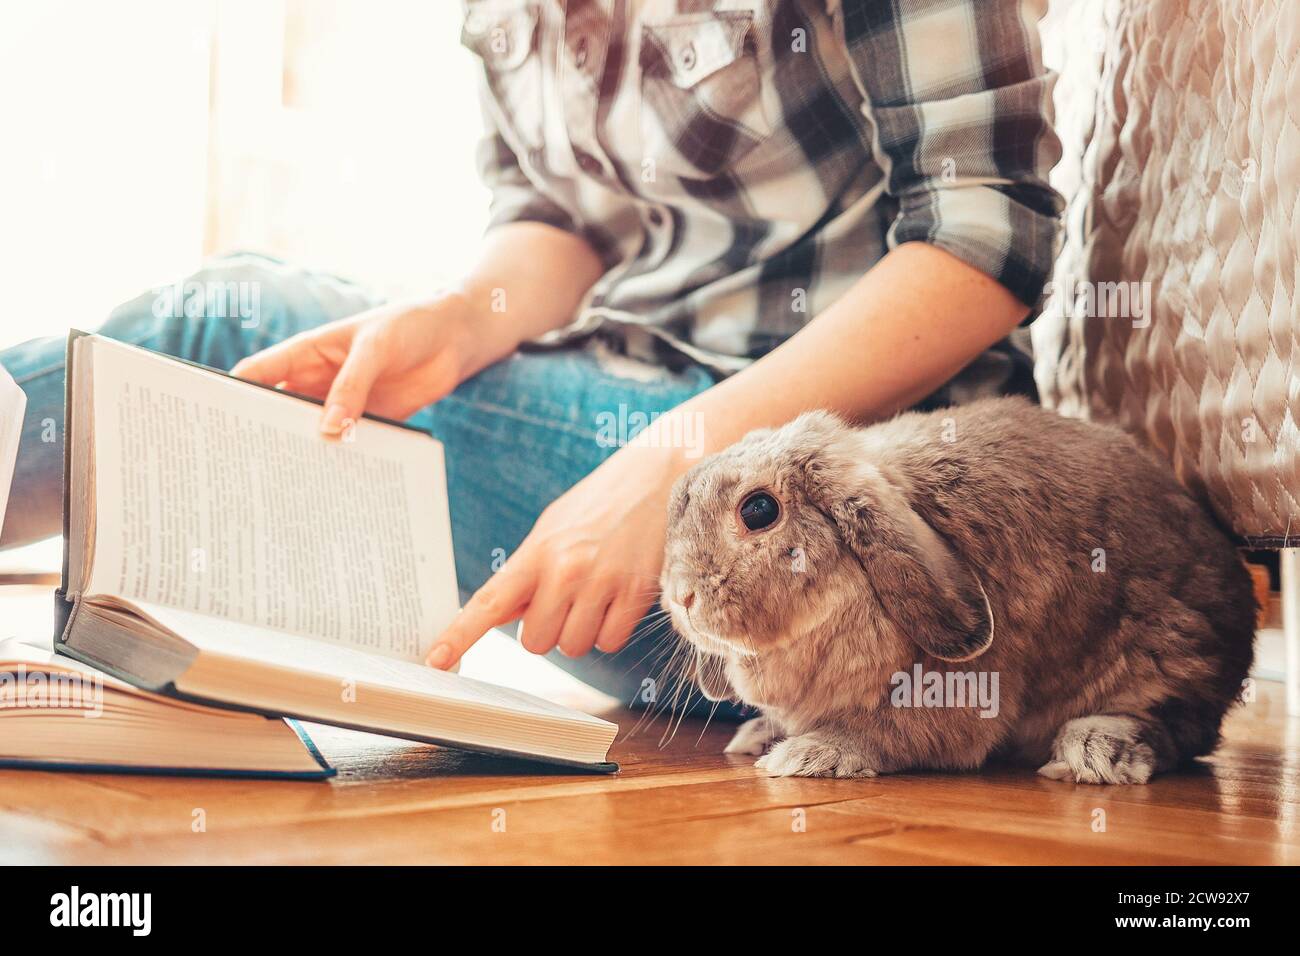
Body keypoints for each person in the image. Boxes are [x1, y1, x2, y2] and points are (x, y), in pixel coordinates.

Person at [0, 1, 1061, 716]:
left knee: (217, 329)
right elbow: (559, 214)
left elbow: (982, 239)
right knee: (285, 349)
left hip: (863, 540)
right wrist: (464, 314)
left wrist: (675, 465)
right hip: (648, 497)